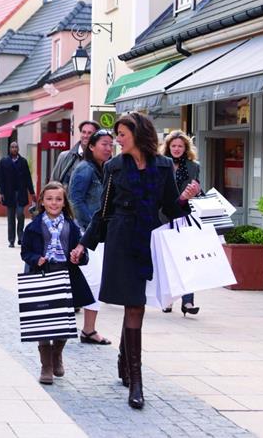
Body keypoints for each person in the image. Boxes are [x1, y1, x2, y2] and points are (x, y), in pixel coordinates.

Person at [73, 112, 200, 409]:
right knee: (133, 304)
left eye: (122, 134)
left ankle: (125, 360)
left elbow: (170, 208)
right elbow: (103, 211)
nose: (116, 140)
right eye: (116, 135)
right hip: (120, 240)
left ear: (138, 134)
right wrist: (83, 244)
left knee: (135, 304)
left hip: (148, 240)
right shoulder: (114, 167)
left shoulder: (163, 166)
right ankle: (136, 381)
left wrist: (187, 199)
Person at [21, 182, 94, 384]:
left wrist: (78, 256)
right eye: (50, 199)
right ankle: (46, 365)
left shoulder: (72, 227)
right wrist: (36, 259)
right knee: (43, 323)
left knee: (64, 322)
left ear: (64, 203)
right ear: (42, 202)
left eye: (58, 199)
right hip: (41, 276)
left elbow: (83, 253)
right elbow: (25, 252)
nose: (54, 203)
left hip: (66, 277)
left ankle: (57, 354)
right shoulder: (33, 227)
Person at [68, 129, 115, 346]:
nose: (108, 148)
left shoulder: (105, 168)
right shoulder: (85, 168)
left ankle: (88, 329)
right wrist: (90, 230)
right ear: (92, 146)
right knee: (92, 280)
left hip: (98, 234)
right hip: (86, 234)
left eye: (111, 144)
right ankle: (85, 329)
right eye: (104, 144)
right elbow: (75, 201)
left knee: (94, 281)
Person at [161, 130, 202, 316]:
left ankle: (188, 302)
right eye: (174, 146)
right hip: (163, 217)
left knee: (186, 259)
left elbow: (198, 191)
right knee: (167, 262)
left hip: (184, 216)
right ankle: (168, 299)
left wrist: (197, 191)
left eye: (180, 146)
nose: (177, 149)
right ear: (168, 147)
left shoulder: (193, 166)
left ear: (186, 148)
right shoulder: (160, 165)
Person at [0, 141, 36, 248]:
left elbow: (28, 178)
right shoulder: (4, 161)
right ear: (9, 149)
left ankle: (21, 237)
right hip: (9, 193)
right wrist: (1, 192)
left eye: (16, 147)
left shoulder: (23, 162)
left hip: (21, 193)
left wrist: (32, 193)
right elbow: (0, 178)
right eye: (12, 147)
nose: (14, 149)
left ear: (18, 149)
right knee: (10, 218)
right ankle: (11, 240)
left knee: (20, 214)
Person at [51, 120, 100, 187]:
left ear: (96, 136)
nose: (85, 135)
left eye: (89, 133)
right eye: (83, 132)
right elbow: (53, 183)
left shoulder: (101, 159)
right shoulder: (64, 156)